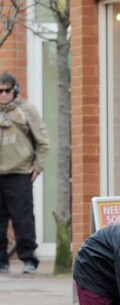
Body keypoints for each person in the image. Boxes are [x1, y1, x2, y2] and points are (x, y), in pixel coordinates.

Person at [0, 72, 50, 274]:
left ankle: (29, 259)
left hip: (19, 172)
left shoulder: (26, 110)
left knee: (23, 219)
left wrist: (38, 166)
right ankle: (1, 262)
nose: (3, 95)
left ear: (15, 90)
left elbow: (43, 141)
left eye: (7, 90)